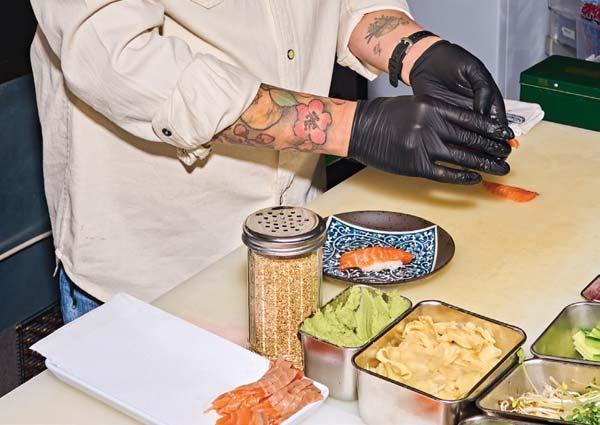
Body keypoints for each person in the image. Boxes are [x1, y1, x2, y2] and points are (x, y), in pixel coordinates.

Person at [29, 1, 513, 323]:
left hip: (300, 236)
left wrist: (414, 50)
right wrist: (351, 127)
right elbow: (120, 60)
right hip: (159, 260)